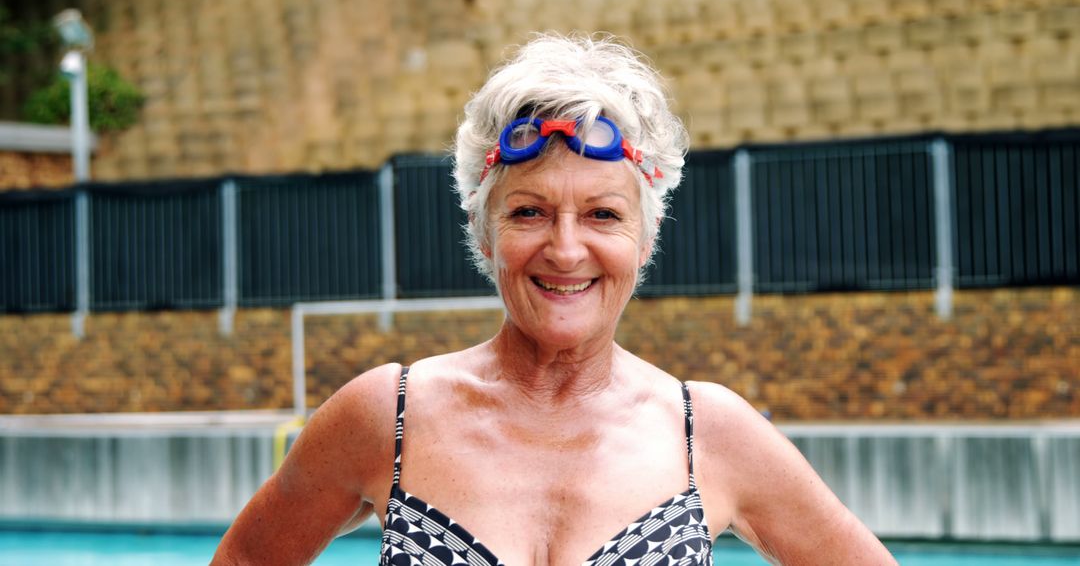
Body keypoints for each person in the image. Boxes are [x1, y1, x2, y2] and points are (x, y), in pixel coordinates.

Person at [213, 34, 897, 565]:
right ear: (484, 233)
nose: (566, 251)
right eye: (530, 213)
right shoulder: (385, 417)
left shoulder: (707, 435)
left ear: (644, 238)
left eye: (602, 215)